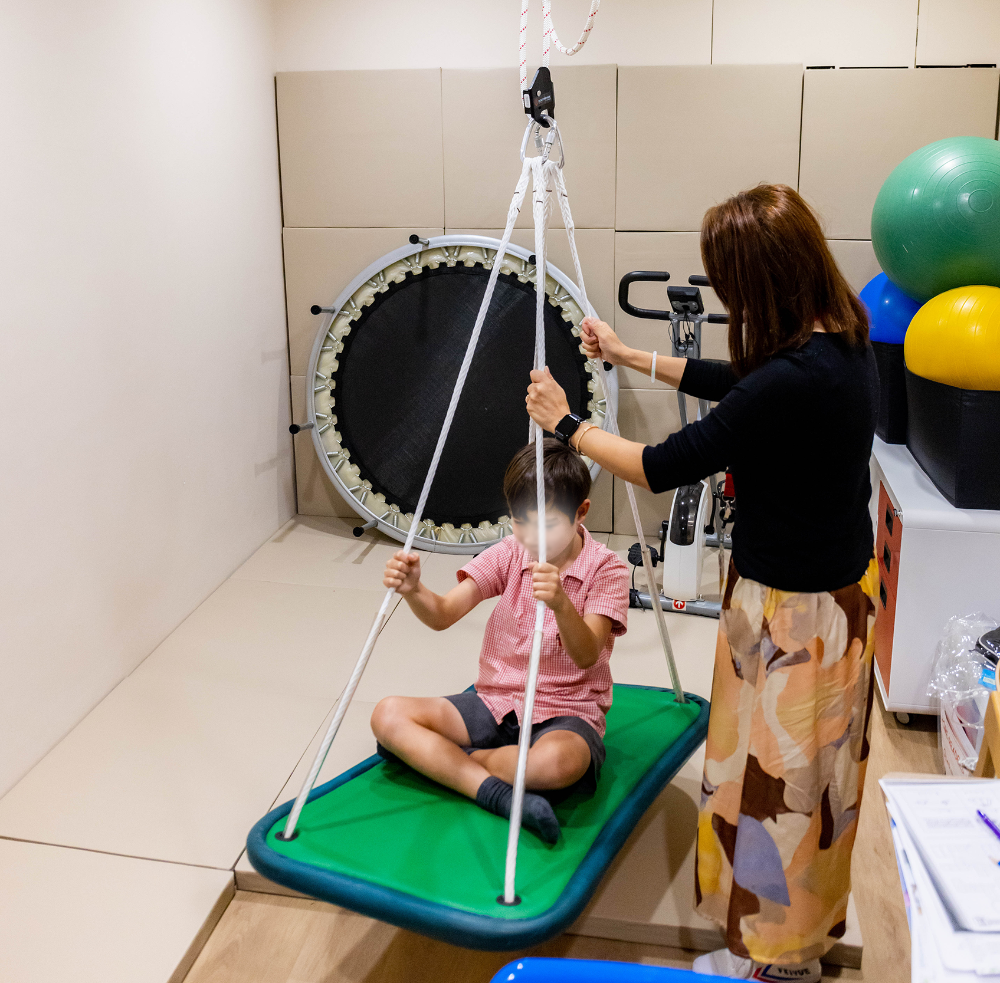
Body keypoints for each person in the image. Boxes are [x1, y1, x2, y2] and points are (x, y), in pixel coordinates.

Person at [525, 184, 878, 982]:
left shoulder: (794, 378)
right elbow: (740, 380)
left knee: (785, 790)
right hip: (822, 603)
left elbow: (658, 468)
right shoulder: (841, 338)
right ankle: (781, 941)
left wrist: (567, 423)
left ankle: (780, 960)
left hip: (797, 617)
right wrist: (628, 354)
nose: (722, 295)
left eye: (726, 280)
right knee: (799, 784)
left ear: (762, 280)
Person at [371, 439, 629, 844]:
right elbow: (443, 615)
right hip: (494, 702)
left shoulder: (608, 569)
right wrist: (413, 590)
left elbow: (586, 655)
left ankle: (449, 762)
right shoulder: (510, 552)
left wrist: (561, 603)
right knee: (387, 715)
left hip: (566, 711)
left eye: (545, 525)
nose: (529, 536)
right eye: (518, 521)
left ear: (581, 513)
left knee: (558, 764)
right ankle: (491, 791)